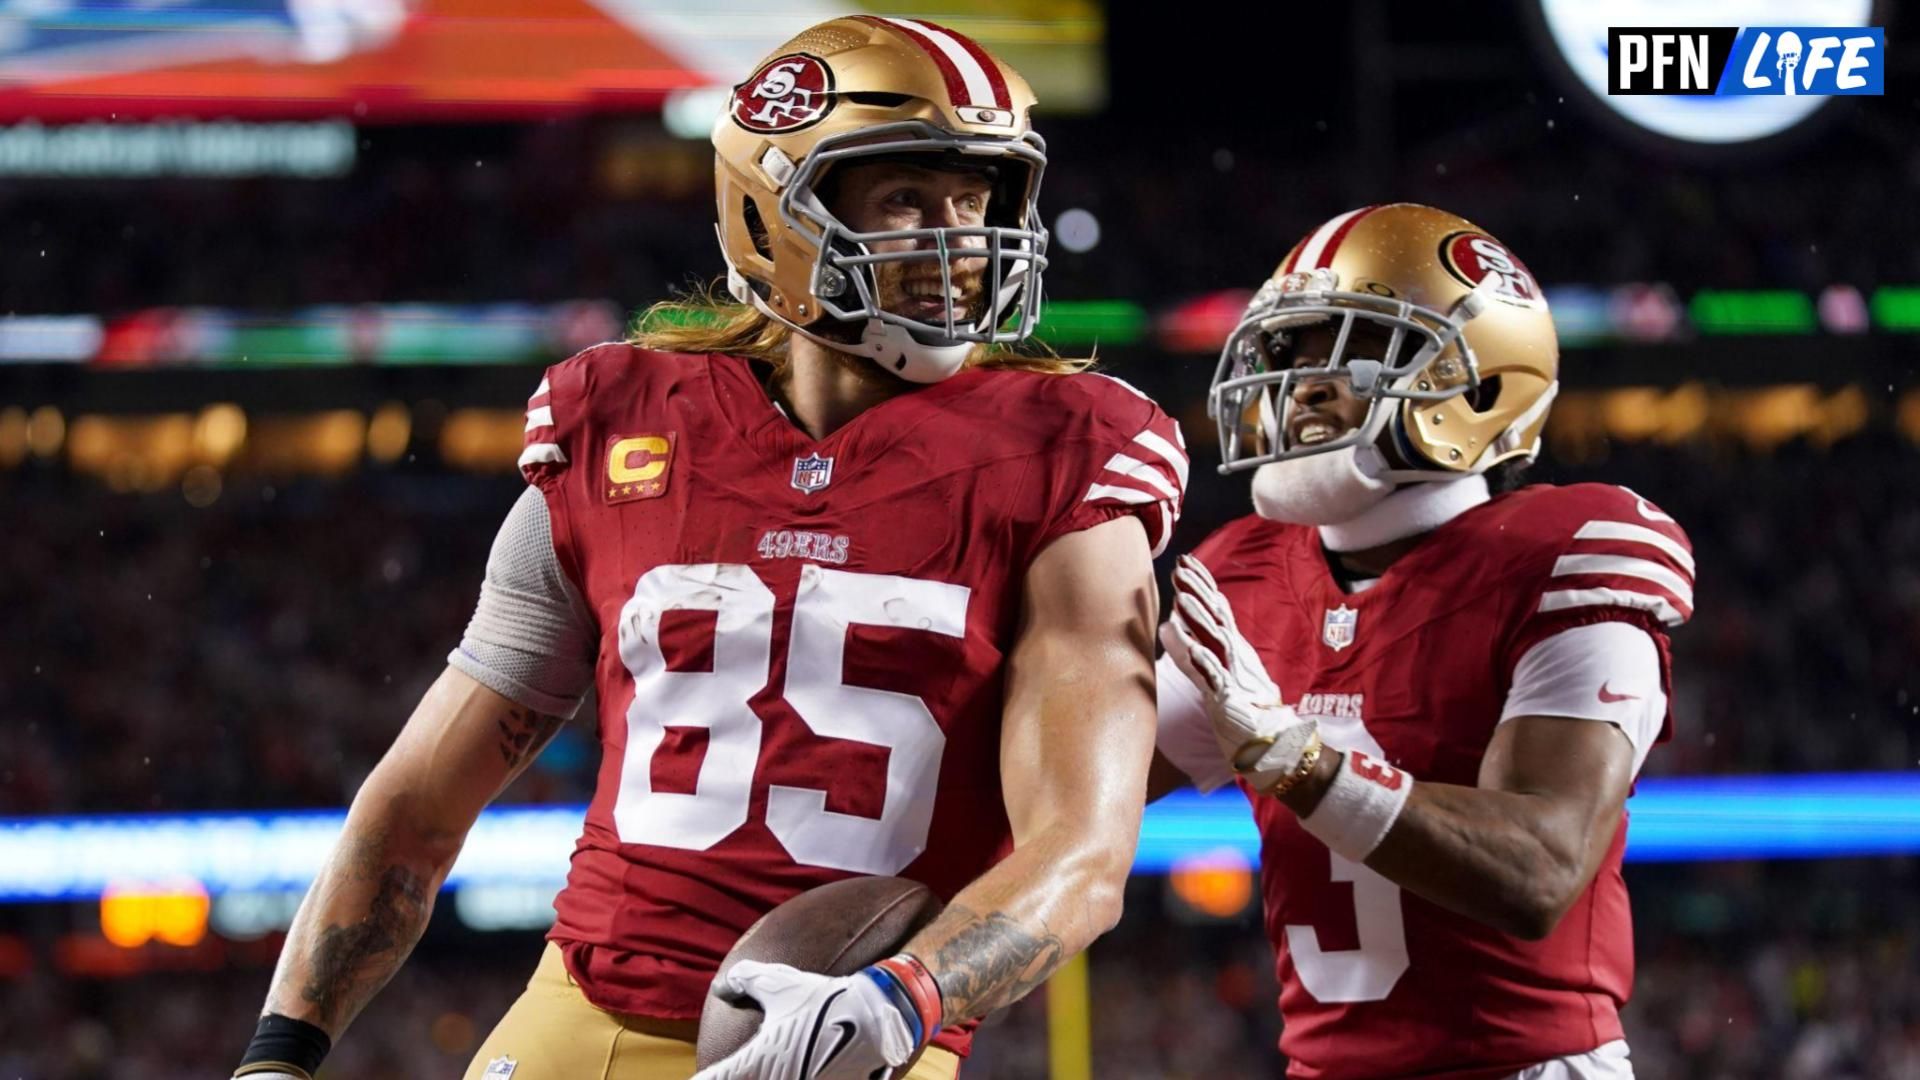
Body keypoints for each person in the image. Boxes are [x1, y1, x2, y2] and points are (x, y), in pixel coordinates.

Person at [231, 17, 1188, 1080]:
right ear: (773, 210)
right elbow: (418, 805)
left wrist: (891, 1005)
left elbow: (1084, 854)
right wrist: (282, 1051)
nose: (956, 238)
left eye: (978, 199)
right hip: (586, 1015)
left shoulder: (1067, 453)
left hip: (860, 1041)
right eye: (907, 197)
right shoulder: (619, 423)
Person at [1153, 203, 1694, 1079]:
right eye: (1293, 353)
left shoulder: (1565, 553)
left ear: (1484, 384)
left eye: (1358, 350)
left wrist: (1303, 761)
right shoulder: (1245, 577)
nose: (1306, 386)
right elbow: (1073, 794)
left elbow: (1538, 870)